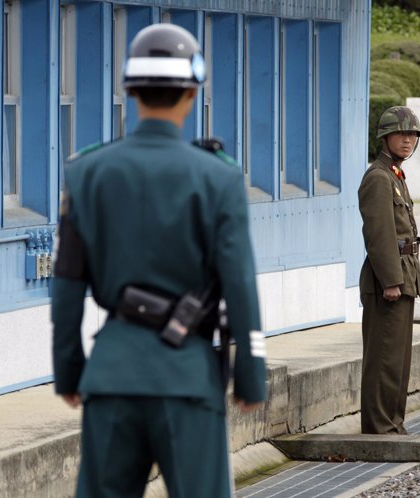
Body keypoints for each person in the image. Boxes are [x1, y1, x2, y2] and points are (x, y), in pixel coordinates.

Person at [51, 23, 267, 498]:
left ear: (130, 90)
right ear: (192, 91)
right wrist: (251, 374)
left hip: (111, 374)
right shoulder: (218, 177)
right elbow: (240, 283)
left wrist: (68, 369)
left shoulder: (86, 171)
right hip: (187, 376)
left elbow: (66, 283)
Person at [358, 106, 420, 435]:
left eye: (412, 134)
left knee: (397, 359)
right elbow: (379, 233)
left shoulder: (394, 175)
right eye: (402, 134)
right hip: (389, 281)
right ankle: (379, 427)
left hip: (403, 276)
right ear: (385, 137)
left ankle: (392, 423)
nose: (408, 140)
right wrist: (391, 281)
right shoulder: (378, 177)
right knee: (384, 358)